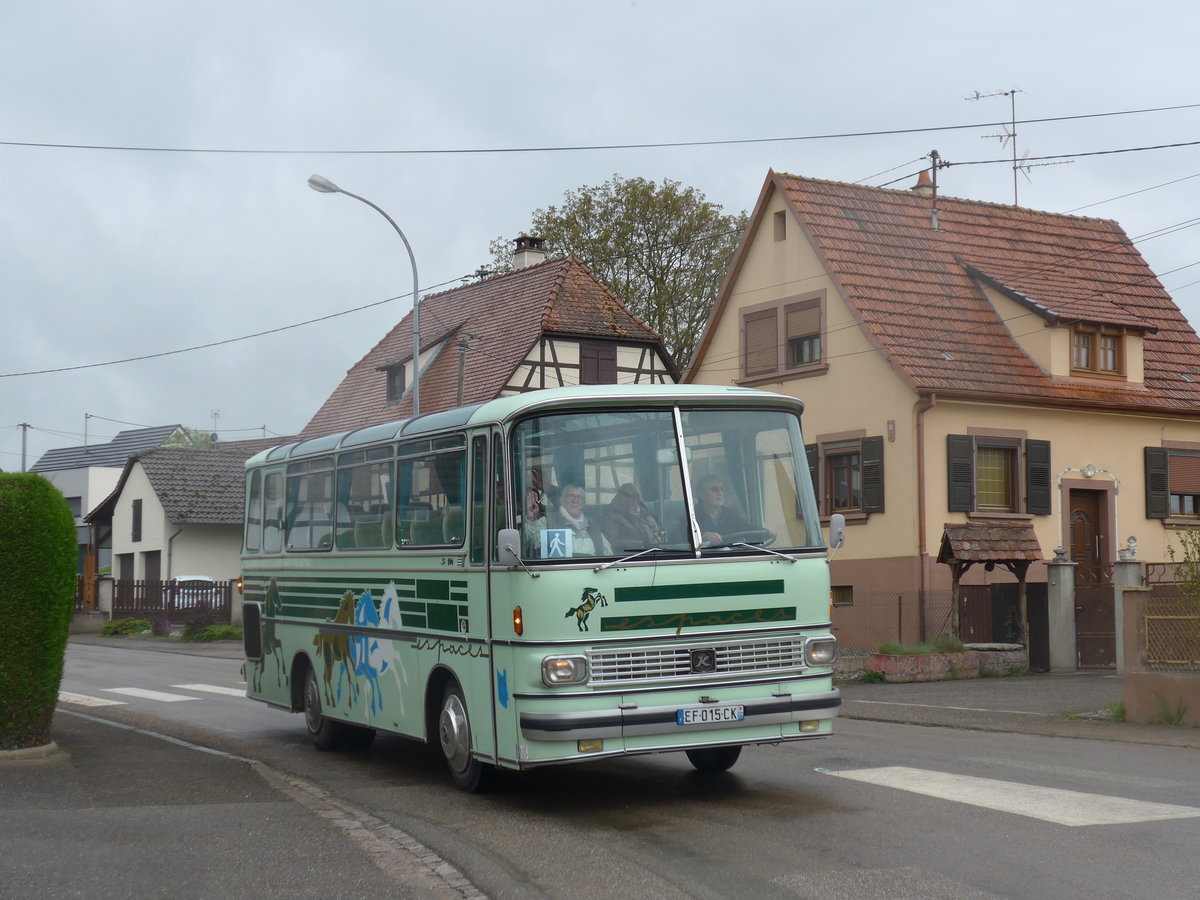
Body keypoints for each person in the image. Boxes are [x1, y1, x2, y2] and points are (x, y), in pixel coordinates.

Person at [525, 483, 610, 557]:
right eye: (571, 496)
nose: (575, 500)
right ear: (562, 500)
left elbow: (608, 554)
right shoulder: (548, 521)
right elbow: (530, 545)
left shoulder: (592, 525)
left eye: (579, 497)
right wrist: (531, 519)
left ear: (583, 503)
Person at [686, 474, 754, 546]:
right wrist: (702, 536)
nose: (720, 493)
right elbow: (684, 540)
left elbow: (751, 530)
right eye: (714, 489)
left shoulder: (732, 514)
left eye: (722, 489)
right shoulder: (690, 517)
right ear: (701, 494)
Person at [602, 483, 660, 552]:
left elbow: (658, 536)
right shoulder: (612, 517)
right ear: (619, 499)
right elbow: (609, 542)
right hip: (627, 556)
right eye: (627, 497)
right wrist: (629, 545)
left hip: (654, 554)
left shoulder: (646, 515)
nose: (631, 500)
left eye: (635, 497)